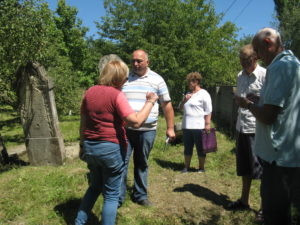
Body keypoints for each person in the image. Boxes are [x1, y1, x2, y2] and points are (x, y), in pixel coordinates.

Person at [75, 60, 159, 225]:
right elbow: (135, 122)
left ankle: (79, 222)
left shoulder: (89, 92)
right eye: (125, 78)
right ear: (119, 78)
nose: (126, 81)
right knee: (111, 195)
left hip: (90, 147)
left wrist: (81, 145)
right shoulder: (116, 95)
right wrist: (150, 102)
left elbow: (83, 122)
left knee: (94, 187)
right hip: (111, 150)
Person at [236, 28, 300, 225]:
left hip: (278, 158)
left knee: (275, 217)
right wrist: (260, 100)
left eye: (258, 50)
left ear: (268, 44)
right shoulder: (292, 63)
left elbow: (269, 116)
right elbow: (281, 105)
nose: (258, 56)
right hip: (286, 155)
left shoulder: (278, 68)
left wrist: (247, 104)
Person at [119, 49, 176, 207]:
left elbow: (167, 105)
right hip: (125, 130)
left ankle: (140, 195)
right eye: (133, 61)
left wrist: (170, 127)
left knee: (142, 162)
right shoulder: (124, 78)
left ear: (147, 62)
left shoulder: (157, 80)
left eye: (139, 61)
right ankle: (118, 197)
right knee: (121, 162)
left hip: (147, 131)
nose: (135, 64)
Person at [228, 45, 266, 214]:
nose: (243, 63)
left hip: (257, 128)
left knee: (261, 170)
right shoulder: (239, 75)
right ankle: (244, 200)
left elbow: (269, 103)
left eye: (247, 60)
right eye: (241, 59)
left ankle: (265, 208)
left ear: (256, 58)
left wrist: (251, 102)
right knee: (244, 166)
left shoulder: (265, 75)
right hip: (241, 126)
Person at [179, 72, 212, 173]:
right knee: (187, 147)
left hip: (199, 126)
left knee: (200, 148)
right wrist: (184, 100)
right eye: (188, 81)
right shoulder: (188, 94)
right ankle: (186, 167)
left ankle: (201, 168)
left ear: (197, 81)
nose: (189, 83)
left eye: (190, 81)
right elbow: (180, 108)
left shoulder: (204, 93)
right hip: (186, 126)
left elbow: (208, 110)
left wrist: (207, 124)